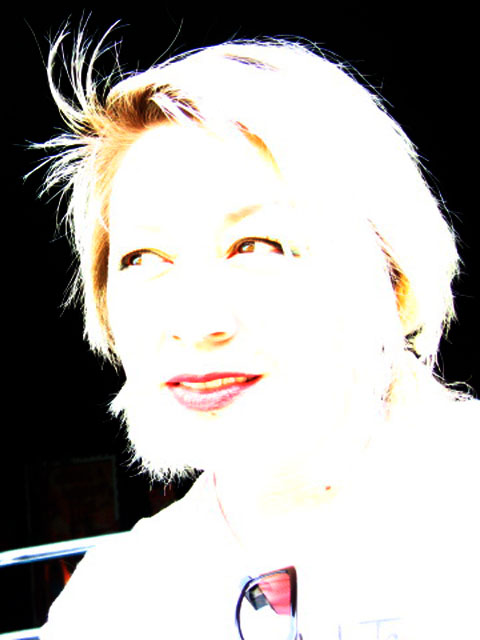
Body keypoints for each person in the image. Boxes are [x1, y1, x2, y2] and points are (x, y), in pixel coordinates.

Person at [38, 27, 479, 639]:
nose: (194, 324)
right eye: (144, 258)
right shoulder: (110, 607)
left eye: (257, 246)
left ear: (393, 274)